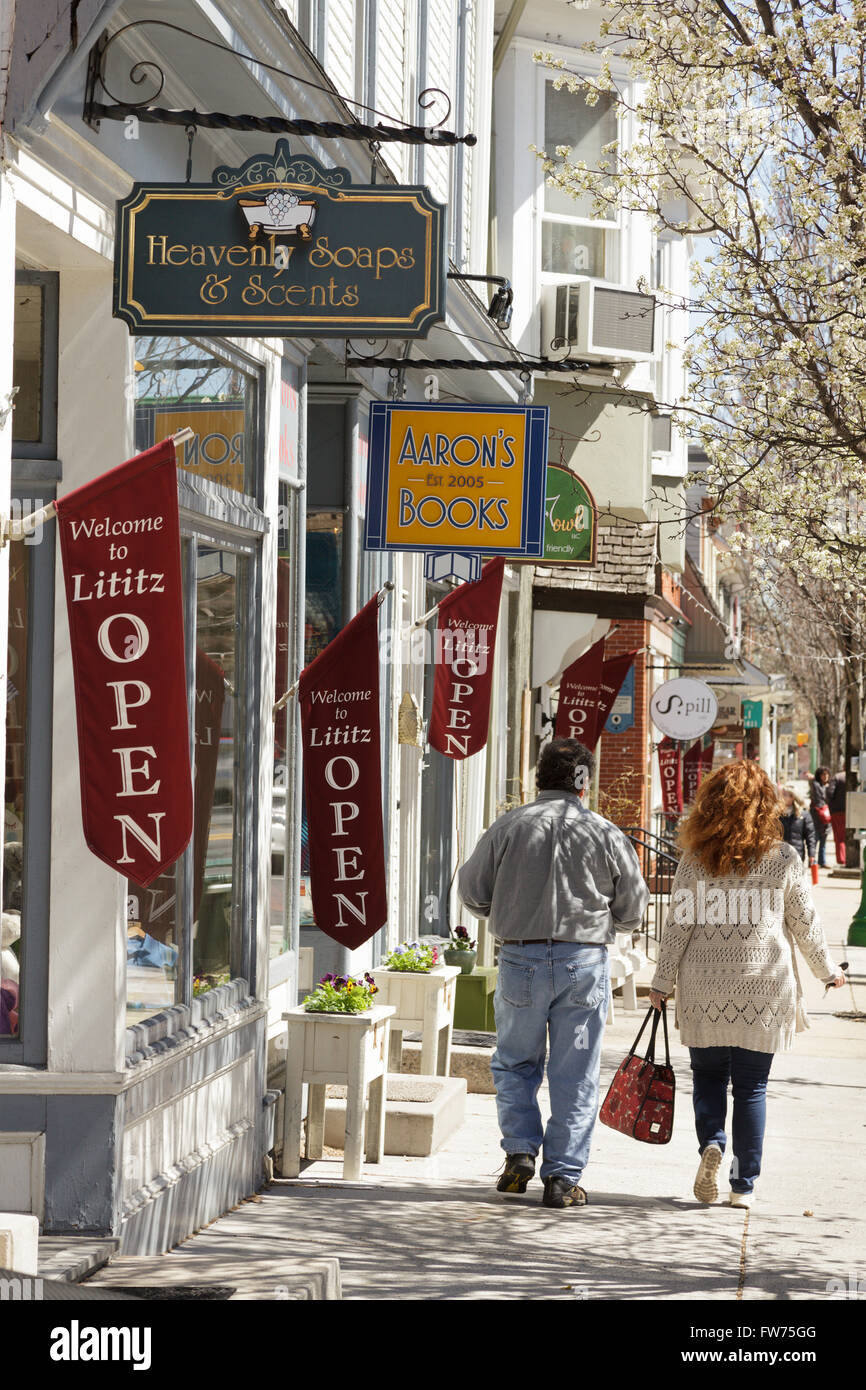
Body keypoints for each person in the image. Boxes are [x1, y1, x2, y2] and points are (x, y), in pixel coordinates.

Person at [458, 737, 649, 1209]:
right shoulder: (604, 832)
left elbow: (472, 890)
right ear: (583, 783)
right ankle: (562, 1177)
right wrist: (611, 924)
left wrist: (504, 910)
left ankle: (520, 1150)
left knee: (515, 1062)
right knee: (575, 1073)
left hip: (520, 960)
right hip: (582, 964)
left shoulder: (509, 827)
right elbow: (634, 908)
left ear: (538, 778)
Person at [649, 761, 845, 1209]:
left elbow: (678, 926)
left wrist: (662, 982)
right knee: (752, 1088)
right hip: (764, 988)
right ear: (765, 805)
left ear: (711, 805)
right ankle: (743, 1185)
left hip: (704, 989)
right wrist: (826, 970)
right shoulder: (782, 860)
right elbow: (805, 925)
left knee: (708, 1077)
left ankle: (712, 1144)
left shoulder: (696, 861)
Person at [778, 785, 816, 866]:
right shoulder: (777, 814)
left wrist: (811, 854)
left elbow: (810, 836)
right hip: (779, 855)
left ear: (792, 797)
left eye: (784, 794)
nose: (781, 797)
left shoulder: (803, 814)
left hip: (797, 854)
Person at [808, 767, 831, 868]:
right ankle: (812, 861)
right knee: (815, 839)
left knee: (823, 840)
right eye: (823, 774)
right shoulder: (816, 785)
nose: (825, 777)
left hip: (826, 818)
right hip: (816, 816)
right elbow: (819, 797)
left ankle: (822, 861)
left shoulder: (828, 786)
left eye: (827, 774)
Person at [827, 769, 847, 867]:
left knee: (839, 837)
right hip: (853, 810)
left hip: (837, 811)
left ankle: (841, 859)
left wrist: (830, 805)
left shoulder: (837, 777)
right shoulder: (858, 776)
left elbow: (829, 793)